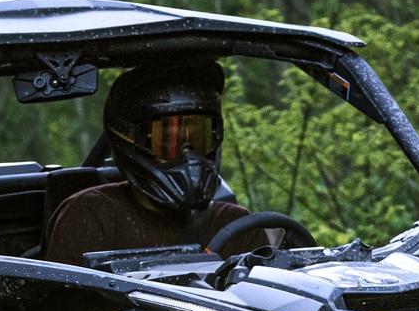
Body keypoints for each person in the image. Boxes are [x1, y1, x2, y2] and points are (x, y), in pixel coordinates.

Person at [44, 60, 273, 267]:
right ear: (131, 141)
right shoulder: (92, 217)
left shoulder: (236, 226)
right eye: (169, 141)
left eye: (198, 138)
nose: (188, 155)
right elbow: (67, 310)